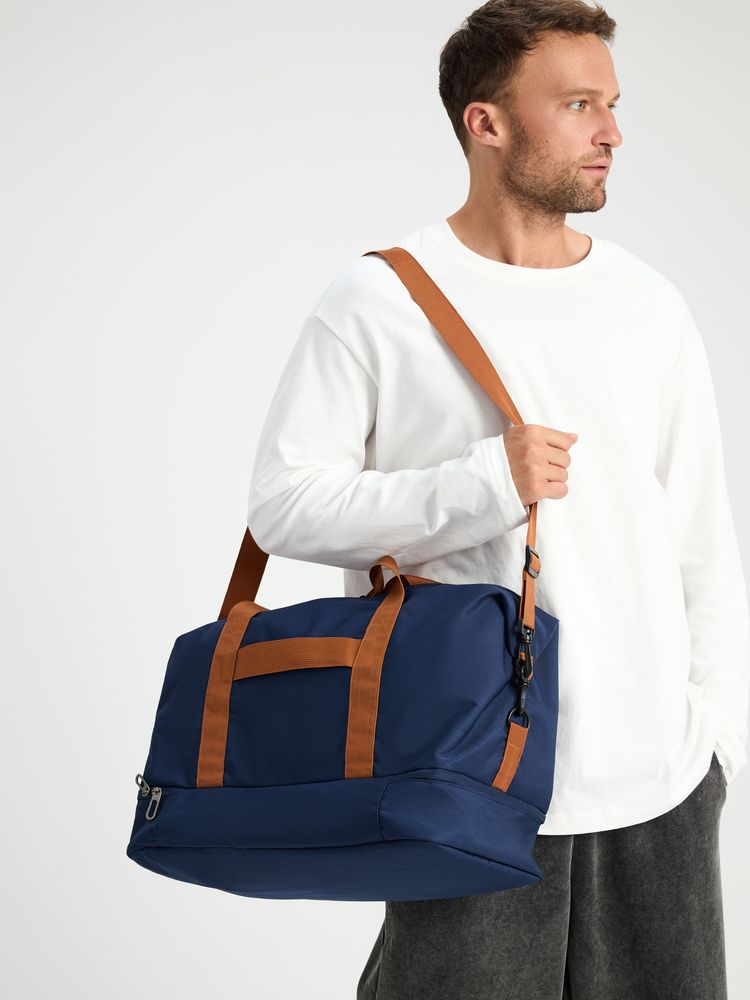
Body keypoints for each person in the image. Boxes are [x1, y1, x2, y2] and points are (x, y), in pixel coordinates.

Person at [246, 1, 748, 996]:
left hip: (658, 785)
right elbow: (284, 505)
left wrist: (711, 737)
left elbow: (700, 537)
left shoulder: (647, 304)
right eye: (579, 104)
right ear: (488, 123)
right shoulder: (380, 300)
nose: (612, 133)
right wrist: (481, 484)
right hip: (465, 779)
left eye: (612, 104)